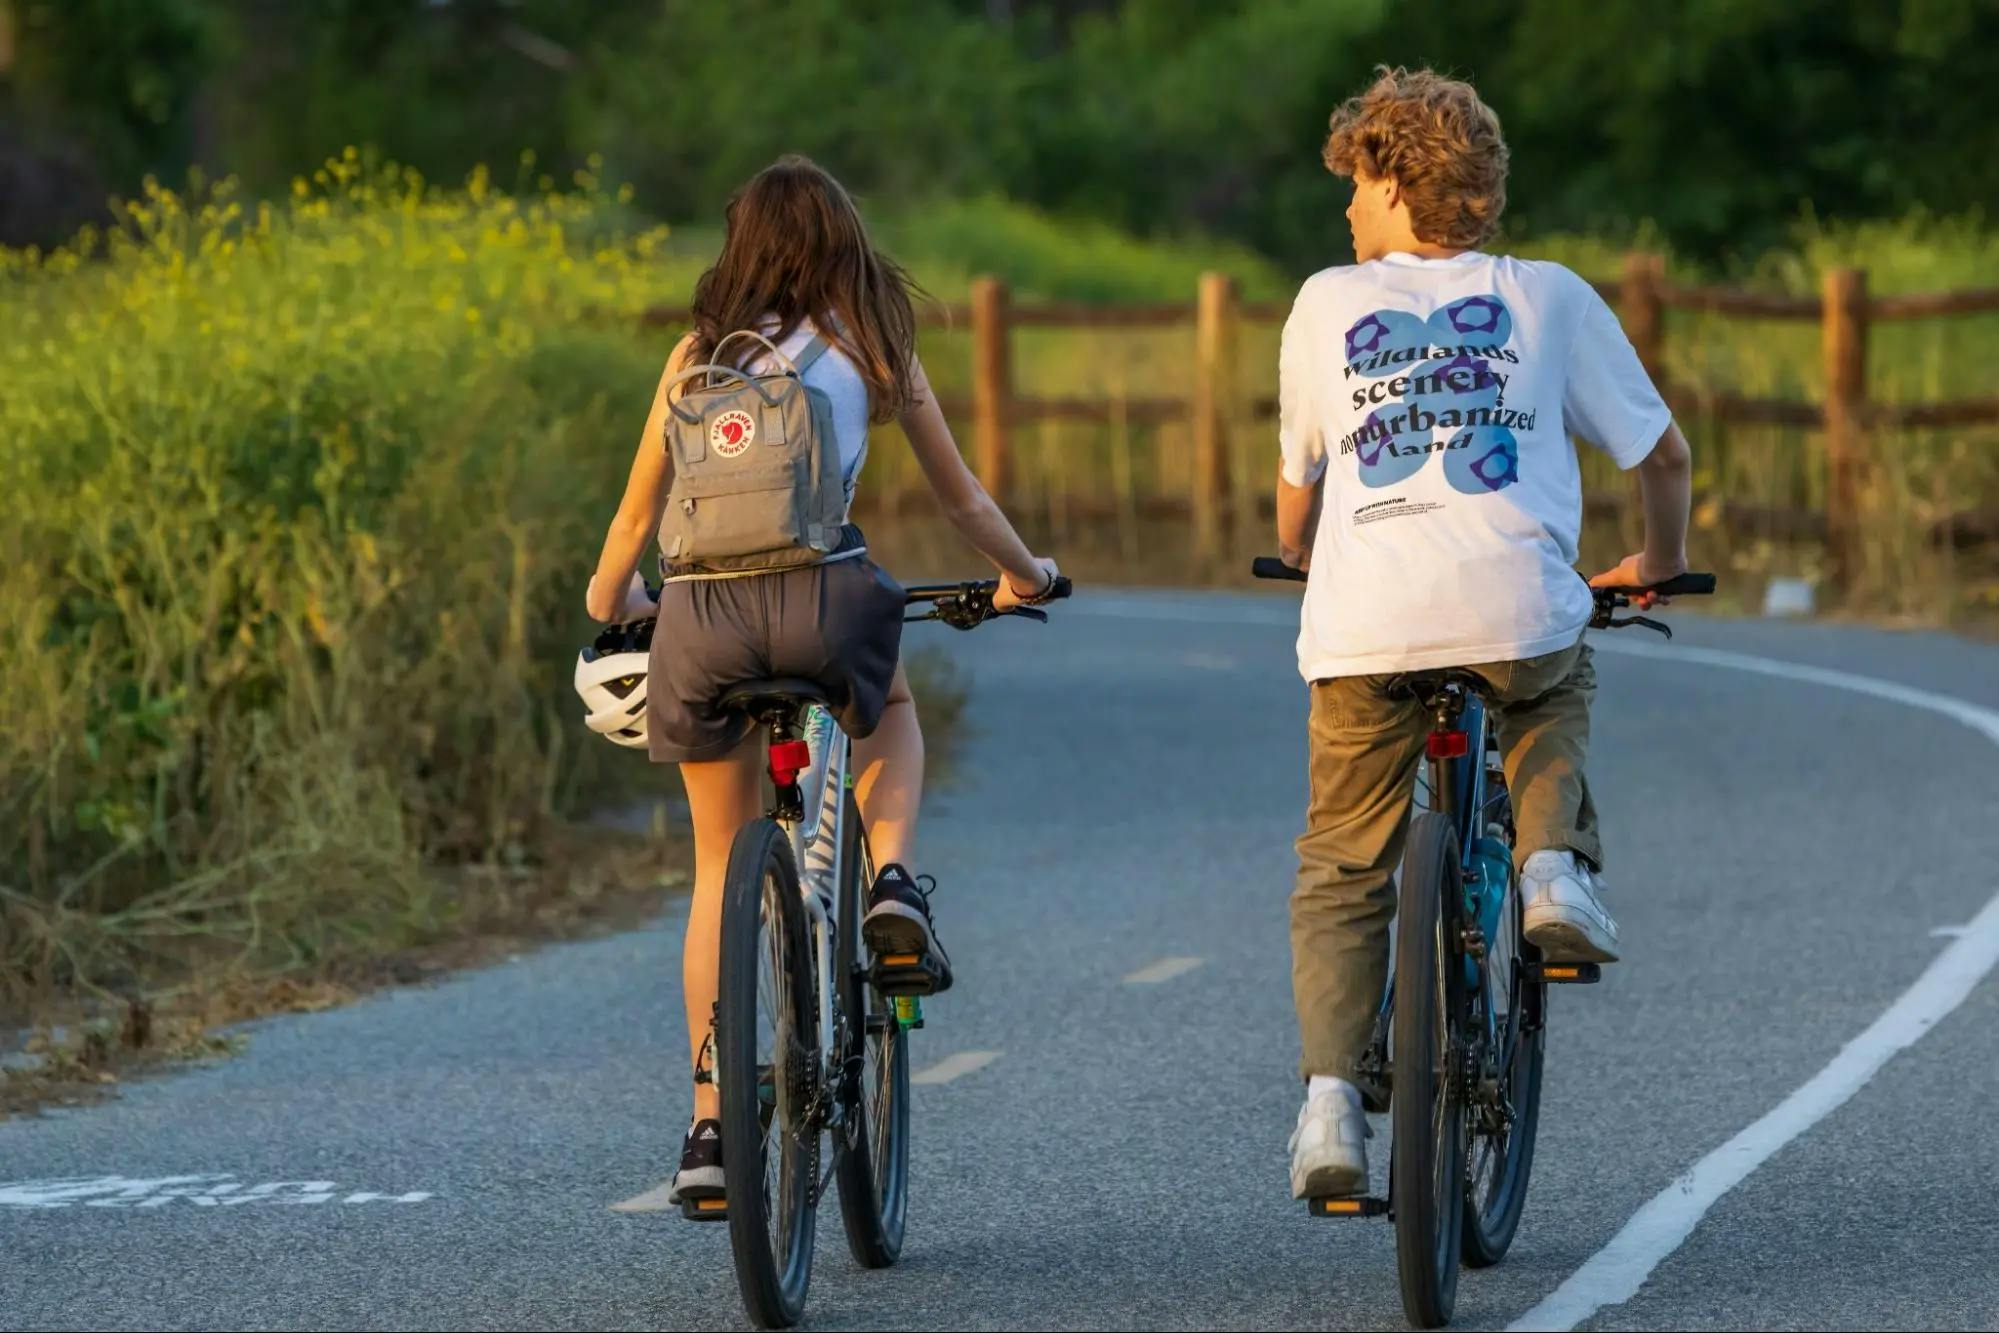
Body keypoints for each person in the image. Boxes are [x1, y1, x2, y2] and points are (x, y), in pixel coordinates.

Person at [583, 155, 1060, 1203]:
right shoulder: (869, 342)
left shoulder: (694, 354)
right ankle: (890, 881)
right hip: (821, 605)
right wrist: (1027, 577)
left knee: (715, 867)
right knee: (886, 702)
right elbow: (964, 498)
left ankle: (710, 1129)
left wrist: (610, 602)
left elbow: (627, 529)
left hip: (699, 618)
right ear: (842, 245)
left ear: (739, 246)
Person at [1274, 68, 1694, 1199]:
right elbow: (1661, 454)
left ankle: (1327, 1111)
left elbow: (1295, 495)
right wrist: (1652, 563)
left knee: (1339, 866)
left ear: (1399, 181)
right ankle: (1549, 866)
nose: (1345, 211)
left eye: (1356, 184)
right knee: (1551, 682)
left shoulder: (1323, 304)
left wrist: (1307, 553)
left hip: (1363, 630)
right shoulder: (1550, 295)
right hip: (1512, 605)